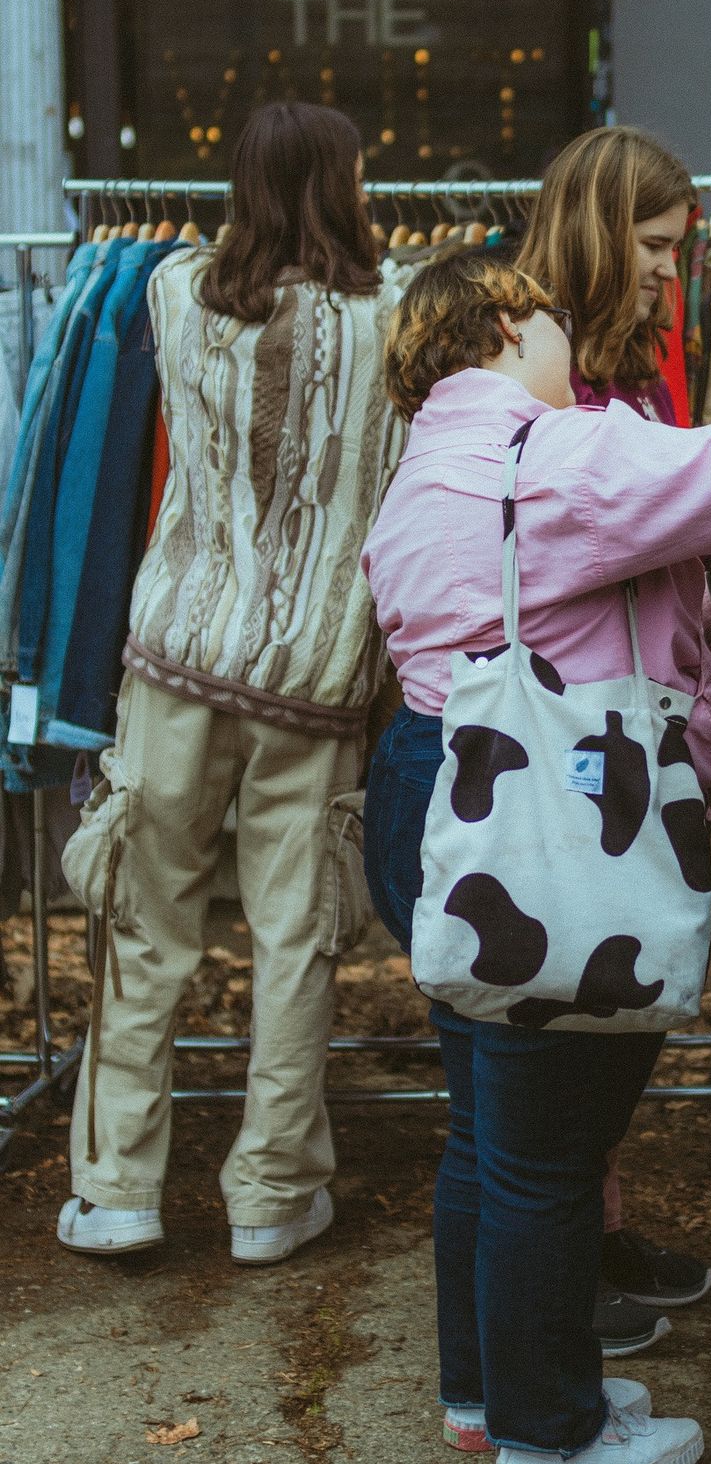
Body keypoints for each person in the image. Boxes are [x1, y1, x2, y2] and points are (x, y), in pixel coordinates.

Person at [361, 249, 711, 1463]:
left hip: (436, 790)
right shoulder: (557, 451)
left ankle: (491, 1401)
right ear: (501, 323)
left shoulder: (424, 464)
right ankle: (551, 1430)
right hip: (545, 816)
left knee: (488, 1135)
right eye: (548, 321)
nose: (571, 346)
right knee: (551, 1149)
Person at [57, 101, 409, 1264]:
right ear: (343, 186)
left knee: (143, 921)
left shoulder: (170, 294)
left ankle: (118, 1188)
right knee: (293, 934)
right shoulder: (395, 316)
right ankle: (269, 1194)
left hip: (177, 661)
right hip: (313, 676)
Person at [514, 127, 711, 1338]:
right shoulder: (538, 368)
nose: (678, 271)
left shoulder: (623, 361)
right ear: (602, 233)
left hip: (642, 720)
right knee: (575, 1028)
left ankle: (594, 1236)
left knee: (607, 1021)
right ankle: (565, 1273)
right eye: (660, 246)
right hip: (571, 736)